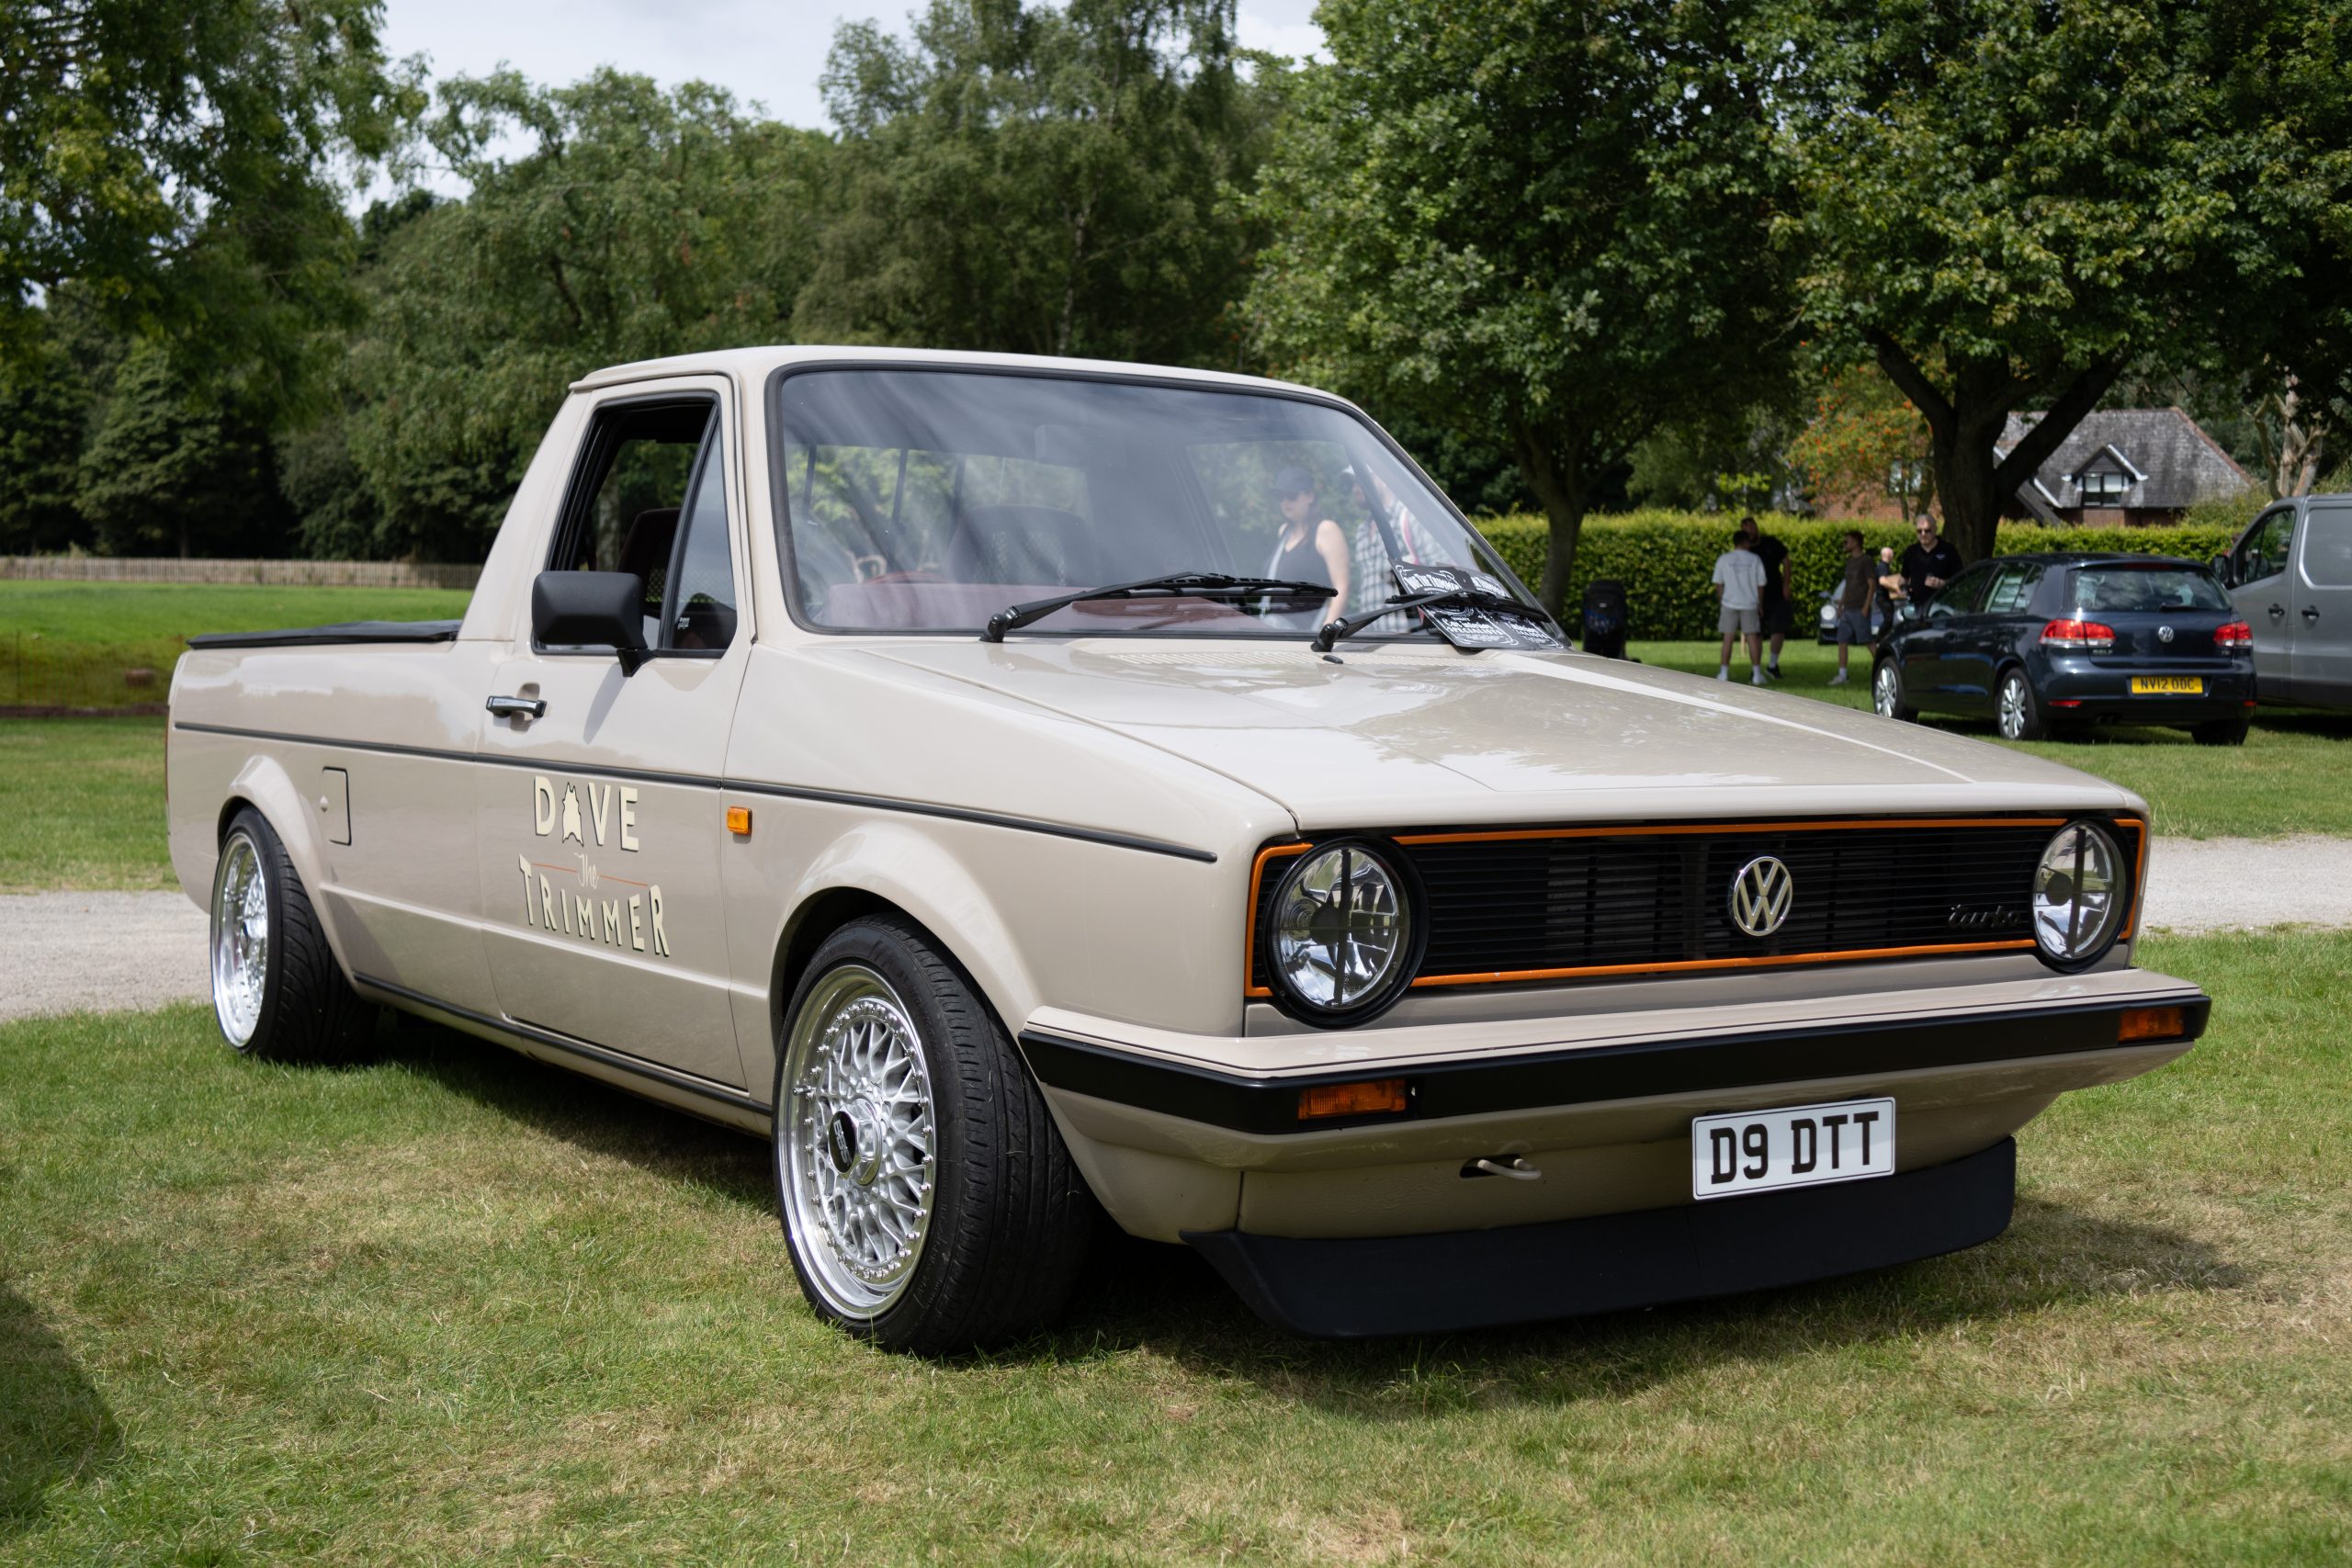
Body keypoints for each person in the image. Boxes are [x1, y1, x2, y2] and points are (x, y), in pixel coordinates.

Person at [1342, 461, 1443, 630]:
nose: (1355, 489)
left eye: (1359, 480)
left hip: (1412, 637)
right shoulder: (1362, 530)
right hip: (1370, 639)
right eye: (1352, 483)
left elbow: (1442, 577)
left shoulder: (1409, 518)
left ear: (1381, 479)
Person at [1265, 468, 1349, 630]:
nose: (1285, 502)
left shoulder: (1326, 530)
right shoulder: (1283, 532)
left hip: (1304, 636)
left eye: (1291, 495)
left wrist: (1326, 632)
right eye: (1280, 496)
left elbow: (1342, 587)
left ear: (1310, 496)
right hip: (1273, 632)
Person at [1711, 529, 1768, 683]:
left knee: (1728, 638)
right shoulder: (1754, 559)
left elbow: (1718, 583)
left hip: (1729, 603)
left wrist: (1722, 599)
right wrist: (1760, 604)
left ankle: (1723, 673)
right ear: (1744, 542)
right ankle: (1756, 674)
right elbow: (1761, 584)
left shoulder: (1724, 559)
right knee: (1752, 638)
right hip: (1749, 604)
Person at [1745, 515, 1792, 680]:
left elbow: (1786, 561)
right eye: (1746, 528)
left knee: (1778, 629)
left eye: (1752, 526)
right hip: (1754, 597)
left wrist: (1786, 584)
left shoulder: (1771, 543)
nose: (1750, 530)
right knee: (1755, 633)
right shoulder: (1745, 550)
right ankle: (1756, 668)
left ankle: (1772, 665)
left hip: (1775, 594)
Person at [1829, 529, 1874, 685]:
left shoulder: (1866, 560)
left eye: (1846, 541)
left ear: (1855, 542)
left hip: (1860, 608)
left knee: (1867, 640)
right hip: (1847, 609)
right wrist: (1841, 605)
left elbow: (1871, 585)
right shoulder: (1849, 562)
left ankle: (1884, 667)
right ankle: (1842, 675)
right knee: (1842, 640)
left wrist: (1866, 607)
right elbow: (1848, 586)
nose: (1844, 544)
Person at [1901, 513, 1963, 609]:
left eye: (1927, 530)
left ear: (1935, 530)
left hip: (1942, 606)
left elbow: (1960, 578)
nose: (1923, 534)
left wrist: (1942, 583)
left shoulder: (1948, 550)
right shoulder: (1911, 551)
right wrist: (1903, 589)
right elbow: (1904, 577)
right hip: (1916, 607)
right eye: (1919, 531)